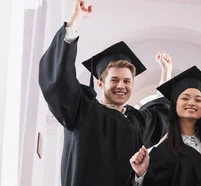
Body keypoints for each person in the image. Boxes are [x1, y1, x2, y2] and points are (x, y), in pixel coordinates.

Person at [38, 1, 170, 185]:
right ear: (100, 83)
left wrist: (166, 74)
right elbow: (60, 80)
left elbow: (160, 114)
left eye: (127, 81)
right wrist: (74, 21)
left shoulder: (136, 122)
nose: (121, 86)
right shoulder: (82, 109)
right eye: (114, 80)